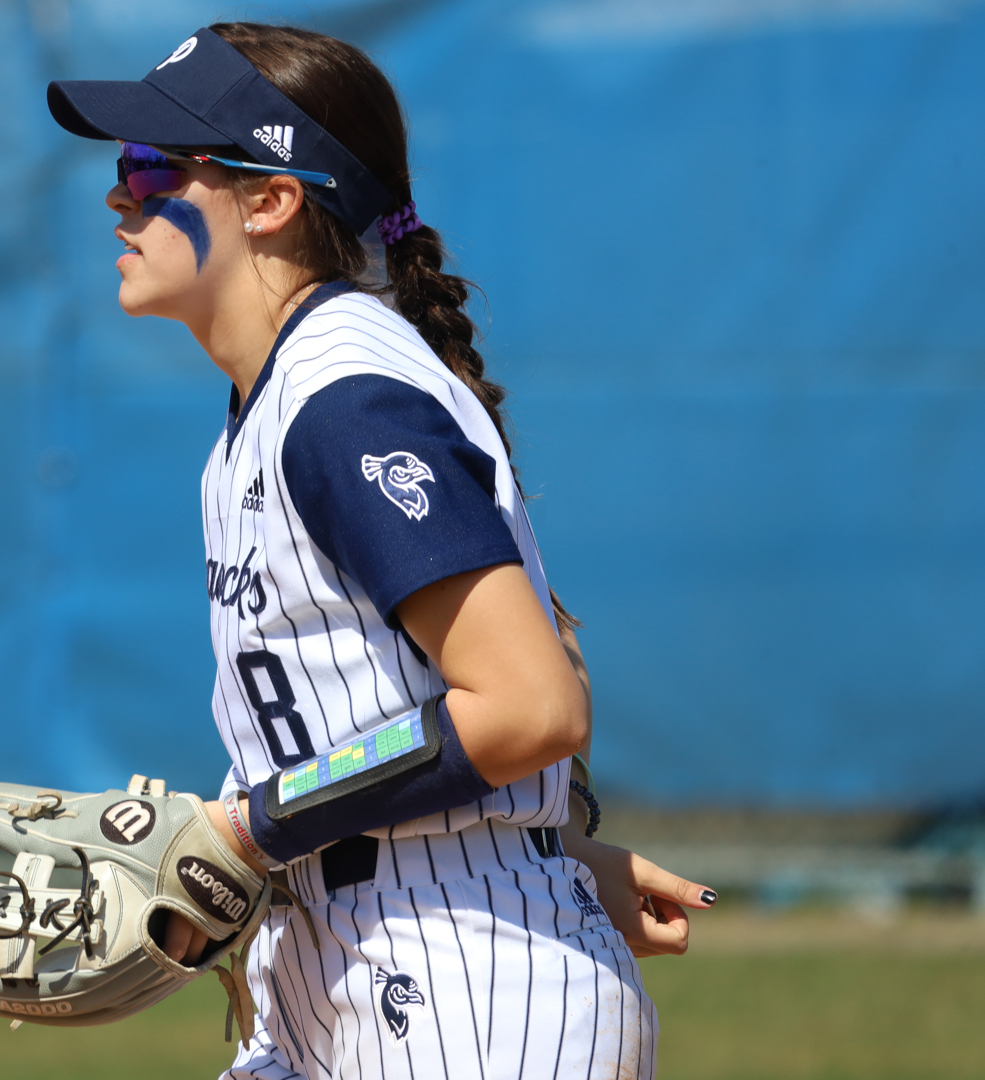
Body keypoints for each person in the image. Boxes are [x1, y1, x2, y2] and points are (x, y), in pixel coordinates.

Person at [46, 23, 716, 1080]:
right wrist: (538, 845)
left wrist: (251, 829)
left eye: (155, 166)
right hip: (358, 960)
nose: (119, 197)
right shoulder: (274, 405)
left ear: (272, 200)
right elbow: (392, 701)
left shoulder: (343, 402)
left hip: (465, 992)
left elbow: (531, 703)